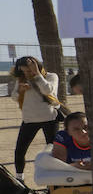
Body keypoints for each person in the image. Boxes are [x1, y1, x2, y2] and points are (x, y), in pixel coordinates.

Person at [10, 56, 61, 184]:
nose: (27, 73)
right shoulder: (21, 79)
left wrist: (37, 75)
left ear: (36, 66)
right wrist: (20, 91)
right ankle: (19, 178)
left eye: (29, 70)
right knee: (20, 150)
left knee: (53, 149)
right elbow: (14, 97)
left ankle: (56, 176)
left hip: (49, 118)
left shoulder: (51, 76)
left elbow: (48, 90)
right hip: (29, 119)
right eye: (24, 71)